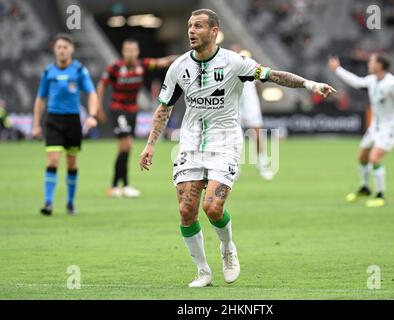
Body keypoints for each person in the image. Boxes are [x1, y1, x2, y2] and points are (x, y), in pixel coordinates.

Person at [139, 9, 335, 288]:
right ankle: (203, 271)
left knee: (213, 207)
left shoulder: (235, 63)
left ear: (214, 31)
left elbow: (273, 75)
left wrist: (309, 84)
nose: (191, 31)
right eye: (189, 26)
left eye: (198, 26)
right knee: (186, 210)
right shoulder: (179, 67)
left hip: (225, 143)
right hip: (191, 143)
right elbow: (164, 108)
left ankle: (228, 249)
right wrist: (150, 145)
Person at [328, 54, 394, 208]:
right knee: (362, 156)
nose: (369, 64)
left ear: (380, 65)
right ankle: (365, 188)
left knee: (375, 158)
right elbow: (356, 81)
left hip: (389, 129)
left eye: (372, 62)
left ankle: (380, 195)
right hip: (374, 128)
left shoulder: (392, 84)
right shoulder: (372, 80)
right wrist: (337, 69)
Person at [97, 39, 178, 198]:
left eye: (133, 50)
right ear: (123, 51)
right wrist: (98, 107)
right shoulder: (115, 68)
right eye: (127, 50)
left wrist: (188, 56)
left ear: (137, 52)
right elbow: (102, 84)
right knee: (126, 145)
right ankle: (121, 185)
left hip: (133, 110)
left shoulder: (143, 65)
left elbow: (163, 62)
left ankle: (116, 186)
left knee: (125, 148)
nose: (130, 53)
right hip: (118, 108)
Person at [32, 33, 98, 215]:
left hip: (72, 121)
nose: (62, 50)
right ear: (55, 50)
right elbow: (39, 99)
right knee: (53, 159)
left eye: (65, 47)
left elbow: (92, 94)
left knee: (71, 163)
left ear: (71, 50)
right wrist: (36, 125)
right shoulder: (48, 72)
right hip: (53, 119)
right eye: (59, 47)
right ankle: (48, 203)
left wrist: (92, 115)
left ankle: (70, 203)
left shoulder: (79, 71)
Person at [230, 44, 274, 180]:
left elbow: (260, 81)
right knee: (234, 138)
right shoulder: (226, 68)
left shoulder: (249, 65)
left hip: (250, 105)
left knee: (257, 135)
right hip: (234, 106)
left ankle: (263, 167)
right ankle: (235, 168)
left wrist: (260, 101)